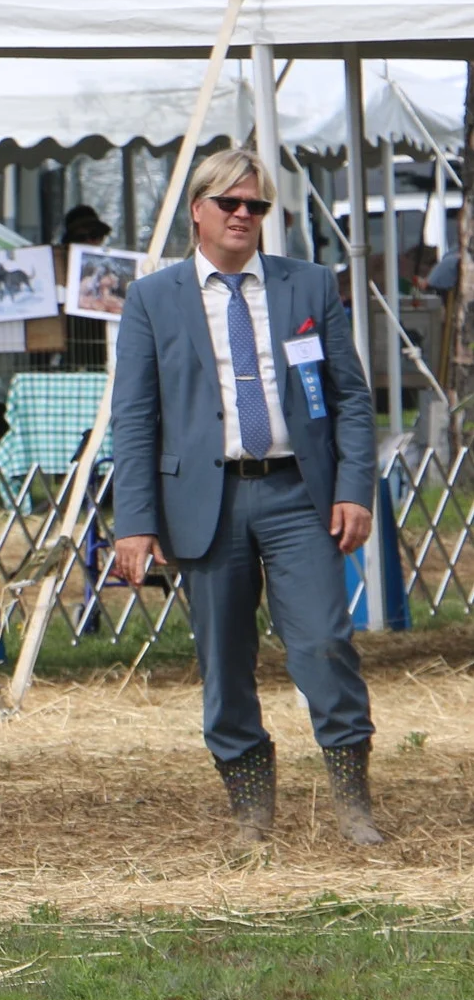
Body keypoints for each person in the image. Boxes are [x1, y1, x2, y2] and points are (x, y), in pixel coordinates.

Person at [112, 147, 381, 847]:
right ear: (197, 210)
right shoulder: (152, 297)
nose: (242, 216)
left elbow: (351, 396)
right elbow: (135, 417)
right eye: (229, 203)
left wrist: (356, 488)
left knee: (324, 644)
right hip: (205, 503)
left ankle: (353, 805)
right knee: (225, 666)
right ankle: (252, 813)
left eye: (255, 206)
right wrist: (135, 522)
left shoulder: (310, 286)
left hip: (298, 494)